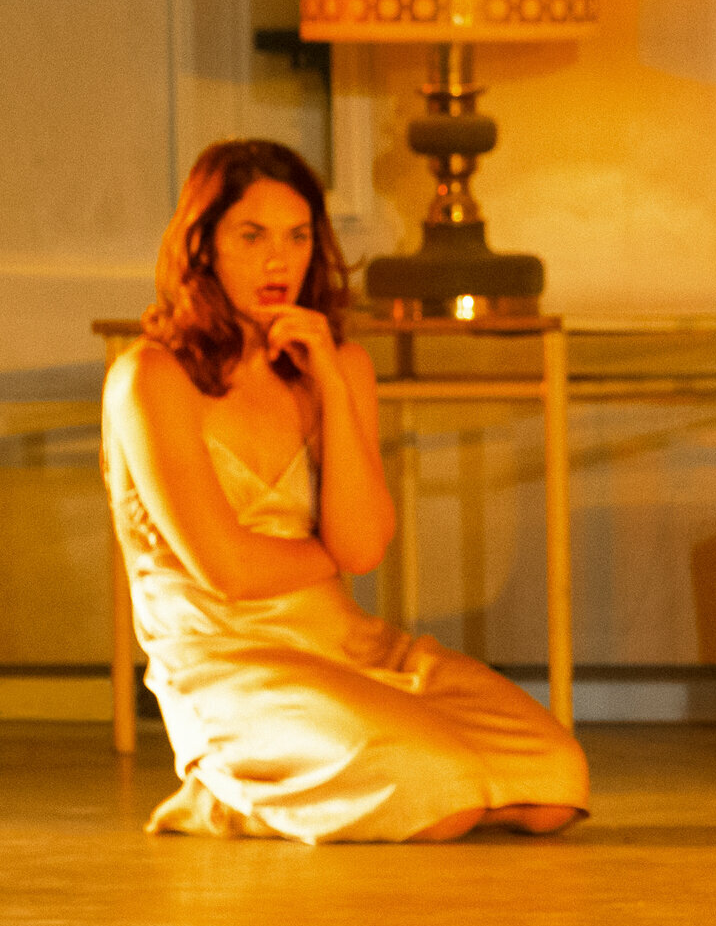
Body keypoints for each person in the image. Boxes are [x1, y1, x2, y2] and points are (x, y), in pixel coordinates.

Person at [103, 139, 588, 843]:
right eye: (253, 236)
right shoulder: (152, 378)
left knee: (557, 778)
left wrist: (329, 378)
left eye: (298, 236)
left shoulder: (342, 366)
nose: (279, 261)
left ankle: (353, 774)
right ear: (203, 247)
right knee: (441, 792)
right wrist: (332, 548)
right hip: (229, 661)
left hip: (347, 644)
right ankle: (227, 789)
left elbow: (362, 550)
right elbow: (230, 569)